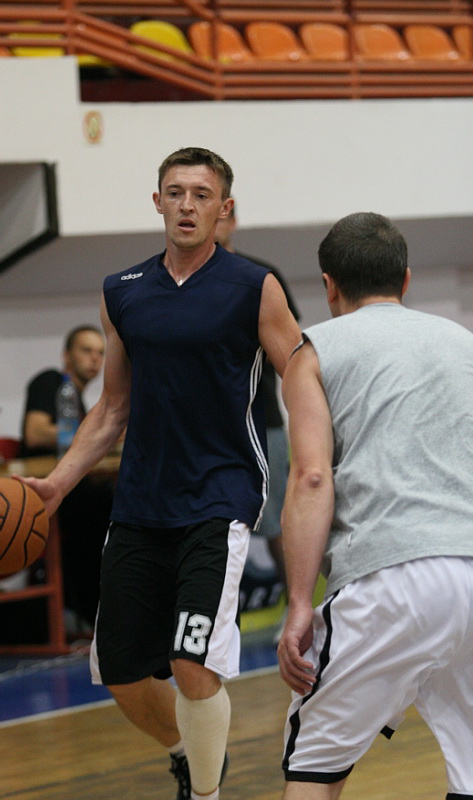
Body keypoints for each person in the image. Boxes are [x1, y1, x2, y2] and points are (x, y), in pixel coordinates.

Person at [20, 147, 301, 800]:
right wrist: (58, 482)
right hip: (141, 502)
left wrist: (319, 456)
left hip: (220, 496)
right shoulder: (122, 290)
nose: (187, 205)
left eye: (201, 194)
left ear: (223, 208)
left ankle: (205, 793)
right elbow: (111, 407)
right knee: (120, 673)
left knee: (191, 661)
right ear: (157, 202)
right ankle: (188, 752)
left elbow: (301, 375)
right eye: (175, 192)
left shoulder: (253, 286)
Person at [277, 211, 473, 800]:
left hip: (391, 579)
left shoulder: (314, 352)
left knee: (316, 767)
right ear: (406, 279)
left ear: (329, 286)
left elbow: (312, 478)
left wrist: (298, 603)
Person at [215, 203, 301, 605]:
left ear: (231, 219)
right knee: (212, 528)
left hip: (262, 419)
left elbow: (292, 349)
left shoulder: (260, 277)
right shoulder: (178, 281)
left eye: (219, 214)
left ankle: (298, 606)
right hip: (208, 426)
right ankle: (214, 616)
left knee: (277, 520)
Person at [19, 325, 113, 635]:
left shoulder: (79, 400)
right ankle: (93, 613)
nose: (95, 359)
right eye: (86, 350)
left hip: (73, 493)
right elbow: (35, 433)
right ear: (67, 355)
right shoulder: (51, 381)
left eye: (100, 353)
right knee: (105, 505)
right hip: (44, 495)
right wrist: (98, 437)